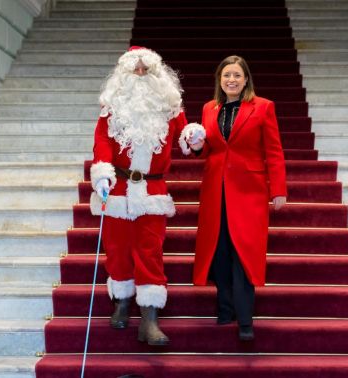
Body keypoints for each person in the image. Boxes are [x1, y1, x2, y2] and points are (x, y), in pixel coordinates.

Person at [89, 46, 198, 345]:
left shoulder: (169, 105)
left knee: (150, 250)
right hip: (119, 189)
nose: (139, 74)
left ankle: (149, 319)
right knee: (117, 248)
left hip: (152, 190)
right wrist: (102, 174)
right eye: (134, 70)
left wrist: (193, 136)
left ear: (156, 73)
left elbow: (184, 134)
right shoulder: (111, 107)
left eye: (145, 69)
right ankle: (122, 302)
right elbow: (101, 141)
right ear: (123, 74)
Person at [186, 55, 287, 341]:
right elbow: (207, 149)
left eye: (237, 75)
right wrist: (194, 145)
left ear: (246, 80)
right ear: (220, 80)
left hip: (249, 190)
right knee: (220, 252)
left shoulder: (263, 107)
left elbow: (274, 150)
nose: (231, 80)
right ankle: (225, 310)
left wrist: (278, 188)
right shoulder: (209, 108)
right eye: (226, 75)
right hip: (215, 189)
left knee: (243, 253)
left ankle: (245, 320)